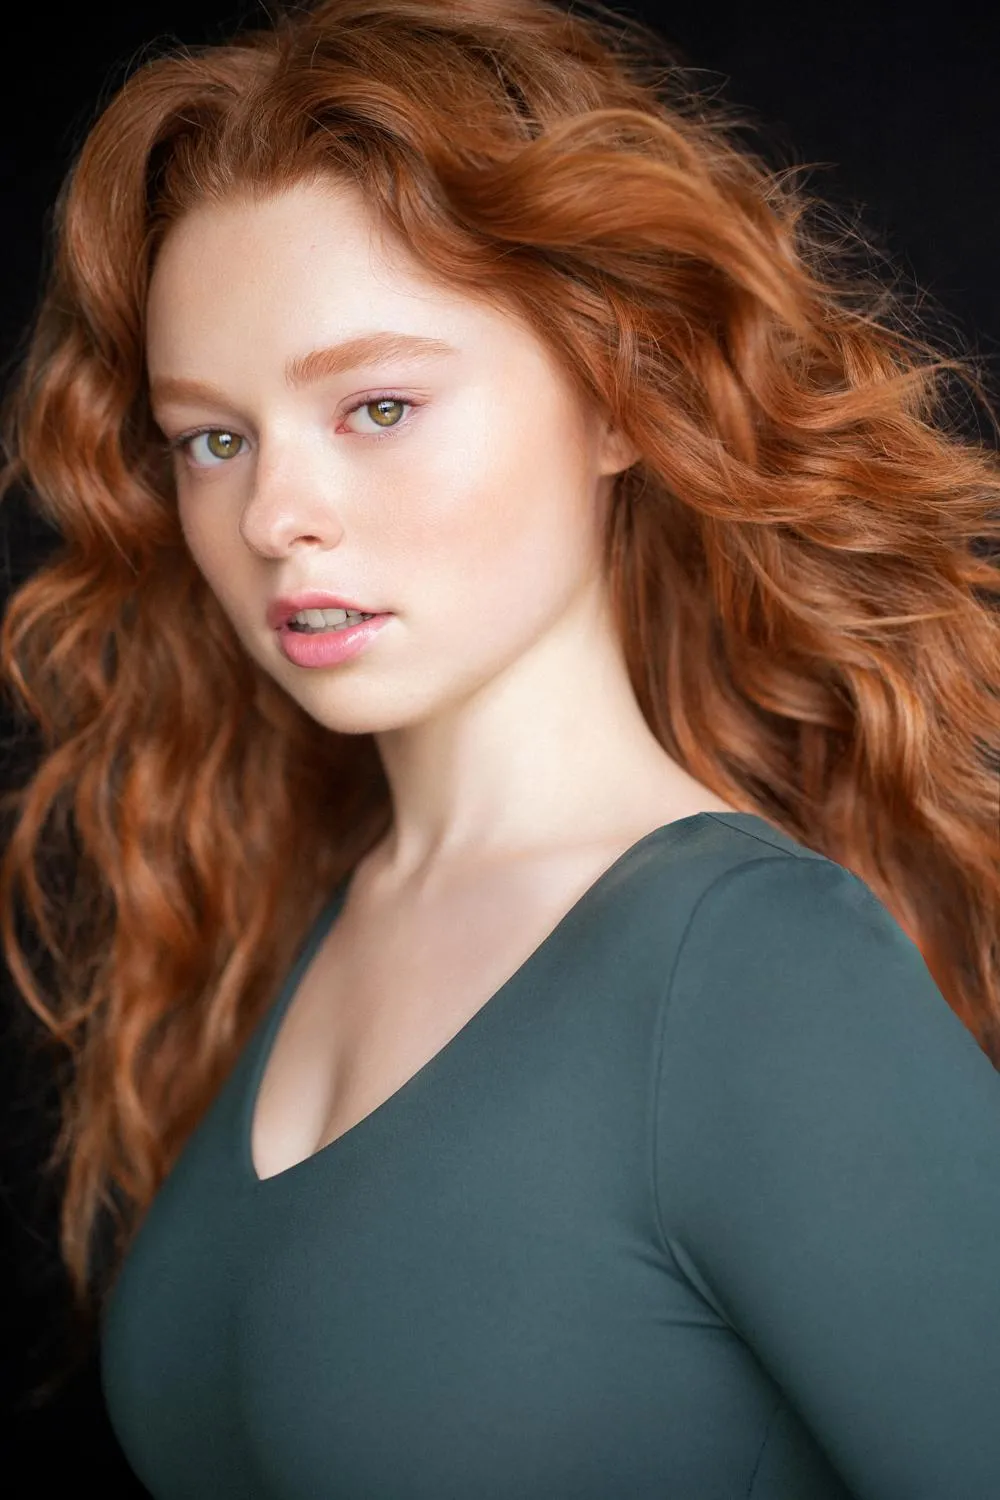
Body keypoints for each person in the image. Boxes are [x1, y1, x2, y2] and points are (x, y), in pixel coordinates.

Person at [1, 0, 999, 1494]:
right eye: (214, 437)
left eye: (378, 406)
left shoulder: (752, 967)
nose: (274, 516)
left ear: (616, 398)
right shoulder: (290, 925)